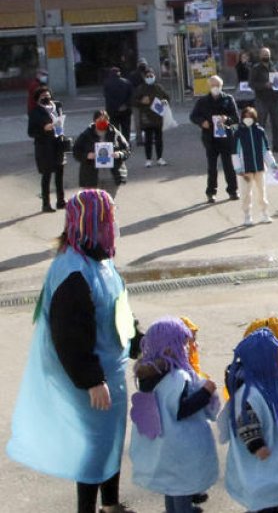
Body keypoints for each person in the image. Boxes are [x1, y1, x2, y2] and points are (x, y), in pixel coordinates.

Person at [8, 190, 138, 513]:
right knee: (93, 449)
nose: (114, 224)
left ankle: (110, 504)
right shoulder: (73, 272)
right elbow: (70, 336)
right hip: (92, 379)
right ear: (90, 222)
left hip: (111, 372)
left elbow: (119, 315)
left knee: (110, 442)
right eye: (109, 217)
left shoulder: (102, 261)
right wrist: (91, 379)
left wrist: (144, 343)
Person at [129, 318, 220, 513]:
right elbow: (182, 409)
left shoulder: (147, 374)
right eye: (183, 345)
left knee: (171, 485)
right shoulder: (178, 377)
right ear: (170, 349)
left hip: (162, 444)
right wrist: (206, 392)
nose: (187, 349)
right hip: (179, 444)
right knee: (181, 486)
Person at [221, 329, 278, 513]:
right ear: (261, 362)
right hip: (261, 460)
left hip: (274, 460)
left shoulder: (272, 383)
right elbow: (246, 422)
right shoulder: (248, 394)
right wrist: (256, 445)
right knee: (264, 499)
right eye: (277, 359)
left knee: (270, 496)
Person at [190, 75, 239, 204]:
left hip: (225, 137)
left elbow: (236, 117)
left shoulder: (228, 99)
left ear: (221, 86)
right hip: (209, 137)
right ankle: (211, 192)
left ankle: (233, 190)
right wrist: (202, 122)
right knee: (212, 167)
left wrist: (227, 119)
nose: (215, 88)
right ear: (209, 86)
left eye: (217, 86)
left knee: (228, 165)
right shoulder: (202, 101)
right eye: (212, 85)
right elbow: (193, 116)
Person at [73, 110, 130, 198]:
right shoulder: (86, 135)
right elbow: (76, 152)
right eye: (100, 119)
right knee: (94, 206)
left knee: (108, 205)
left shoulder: (115, 133)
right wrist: (87, 156)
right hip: (92, 178)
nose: (103, 121)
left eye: (105, 119)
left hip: (111, 177)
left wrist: (119, 154)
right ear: (94, 121)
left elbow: (126, 150)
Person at [28, 86, 67, 212]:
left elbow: (61, 119)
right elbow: (31, 132)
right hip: (45, 146)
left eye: (48, 95)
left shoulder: (58, 105)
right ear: (38, 99)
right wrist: (44, 129)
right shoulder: (35, 112)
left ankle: (61, 201)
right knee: (47, 175)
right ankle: (46, 204)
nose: (47, 98)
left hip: (58, 143)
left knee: (60, 173)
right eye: (43, 96)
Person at [234, 106, 274, 226]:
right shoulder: (238, 133)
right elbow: (235, 152)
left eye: (250, 117)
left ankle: (265, 213)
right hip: (244, 169)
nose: (248, 119)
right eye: (245, 117)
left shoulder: (259, 131)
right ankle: (247, 215)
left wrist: (272, 163)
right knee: (246, 193)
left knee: (262, 191)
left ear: (254, 118)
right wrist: (238, 169)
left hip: (259, 168)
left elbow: (265, 149)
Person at [250, 47, 278, 153]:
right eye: (264, 54)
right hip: (262, 99)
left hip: (274, 99)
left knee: (276, 124)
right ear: (260, 56)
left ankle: (276, 145)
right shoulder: (256, 68)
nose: (266, 56)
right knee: (261, 124)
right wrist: (264, 85)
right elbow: (251, 84)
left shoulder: (273, 66)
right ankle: (259, 147)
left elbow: (277, 81)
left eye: (267, 54)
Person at [133, 67, 170, 167]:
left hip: (158, 116)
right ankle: (148, 159)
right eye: (147, 76)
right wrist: (141, 101)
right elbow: (133, 101)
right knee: (148, 140)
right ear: (144, 77)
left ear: (154, 76)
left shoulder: (159, 87)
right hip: (146, 117)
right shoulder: (140, 88)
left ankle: (160, 158)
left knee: (159, 139)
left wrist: (165, 101)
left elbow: (167, 97)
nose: (149, 77)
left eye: (151, 76)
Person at [102, 66, 134, 143]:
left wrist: (115, 106)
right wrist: (125, 105)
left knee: (114, 128)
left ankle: (117, 143)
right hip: (125, 110)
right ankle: (126, 143)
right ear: (119, 73)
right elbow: (131, 95)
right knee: (126, 128)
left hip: (112, 110)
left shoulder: (107, 83)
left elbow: (106, 96)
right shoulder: (127, 82)